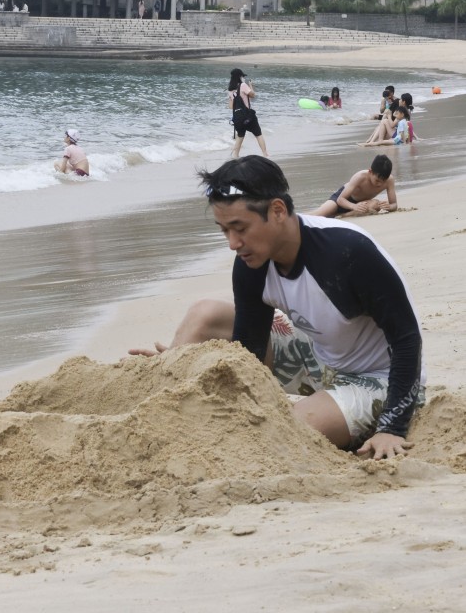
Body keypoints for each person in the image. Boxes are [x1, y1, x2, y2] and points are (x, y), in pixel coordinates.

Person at [129, 156, 424, 460]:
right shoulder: (251, 263)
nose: (233, 243)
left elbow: (407, 339)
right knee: (205, 314)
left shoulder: (347, 253)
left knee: (290, 427)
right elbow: (248, 355)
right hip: (320, 355)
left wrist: (393, 427)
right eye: (224, 230)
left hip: (383, 376)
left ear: (278, 210)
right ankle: (169, 406)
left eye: (239, 228)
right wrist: (190, 362)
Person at [310, 154, 398, 217]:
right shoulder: (360, 176)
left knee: (376, 205)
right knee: (319, 214)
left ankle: (344, 215)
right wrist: (354, 206)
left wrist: (389, 207)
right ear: (370, 172)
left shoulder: (389, 180)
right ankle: (299, 217)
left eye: (383, 181)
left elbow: (394, 204)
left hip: (360, 205)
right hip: (342, 199)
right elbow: (340, 199)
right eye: (377, 180)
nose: (380, 184)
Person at [228, 68, 269, 159]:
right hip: (248, 116)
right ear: (240, 76)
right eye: (242, 76)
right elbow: (253, 95)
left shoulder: (230, 90)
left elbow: (231, 106)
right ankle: (265, 154)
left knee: (240, 136)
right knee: (258, 134)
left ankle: (235, 156)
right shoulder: (243, 85)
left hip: (237, 118)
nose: (243, 78)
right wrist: (250, 85)